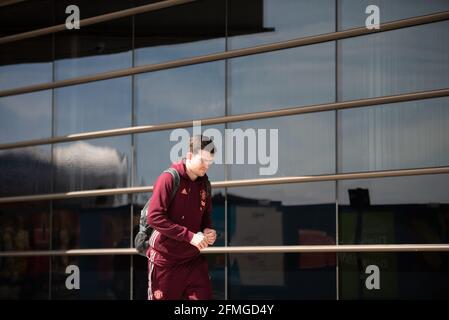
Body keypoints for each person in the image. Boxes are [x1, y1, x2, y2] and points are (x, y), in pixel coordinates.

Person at [147, 135, 217, 300]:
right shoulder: (169, 179)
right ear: (190, 156)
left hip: (193, 261)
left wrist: (207, 230)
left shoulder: (205, 185)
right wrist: (190, 236)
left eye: (210, 161)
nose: (206, 166)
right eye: (203, 160)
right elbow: (154, 217)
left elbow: (205, 217)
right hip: (165, 261)